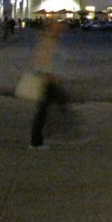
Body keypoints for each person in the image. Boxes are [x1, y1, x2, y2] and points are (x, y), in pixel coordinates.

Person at [30, 21, 71, 149]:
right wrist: (47, 74)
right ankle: (36, 141)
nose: (62, 28)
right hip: (47, 80)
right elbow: (40, 60)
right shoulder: (48, 40)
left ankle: (39, 138)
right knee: (45, 110)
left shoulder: (54, 39)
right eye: (59, 26)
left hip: (51, 79)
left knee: (48, 108)